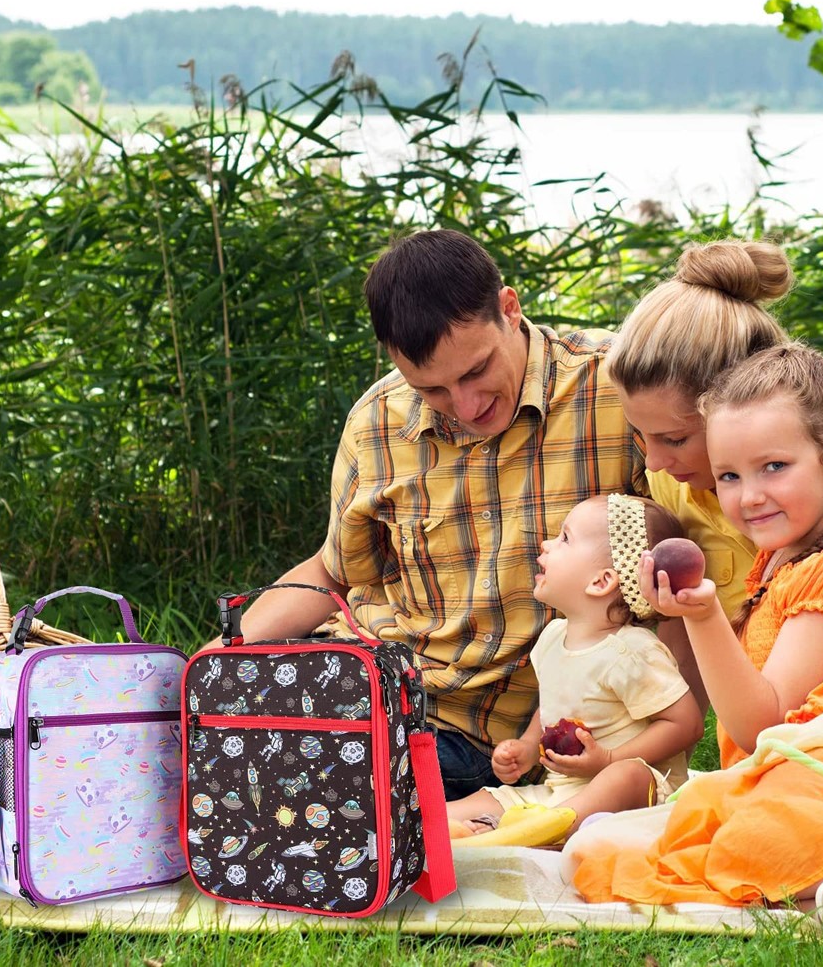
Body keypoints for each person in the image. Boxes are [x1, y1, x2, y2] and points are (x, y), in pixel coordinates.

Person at [230, 229, 646, 800]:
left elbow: (683, 573)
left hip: (477, 736)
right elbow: (334, 574)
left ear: (509, 308)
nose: (467, 406)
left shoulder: (617, 386)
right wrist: (217, 658)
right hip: (358, 674)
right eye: (433, 390)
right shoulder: (377, 422)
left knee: (290, 790)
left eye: (476, 371)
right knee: (213, 744)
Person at [565, 343, 823, 937]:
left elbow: (761, 721)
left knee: (744, 838)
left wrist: (704, 617)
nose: (749, 495)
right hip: (805, 781)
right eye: (729, 475)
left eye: (774, 467)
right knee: (594, 847)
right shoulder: (781, 564)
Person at [605, 238, 823, 714]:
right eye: (642, 436)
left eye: (675, 438)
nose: (656, 463)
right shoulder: (675, 475)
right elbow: (689, 647)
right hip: (779, 733)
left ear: (736, 403)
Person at [447, 493, 703, 839]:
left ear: (601, 581)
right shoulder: (553, 637)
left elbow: (686, 724)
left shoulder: (631, 651)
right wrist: (527, 748)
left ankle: (524, 835)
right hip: (561, 792)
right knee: (468, 805)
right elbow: (554, 705)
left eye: (565, 538)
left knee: (627, 775)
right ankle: (485, 830)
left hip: (633, 796)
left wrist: (610, 759)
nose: (546, 544)